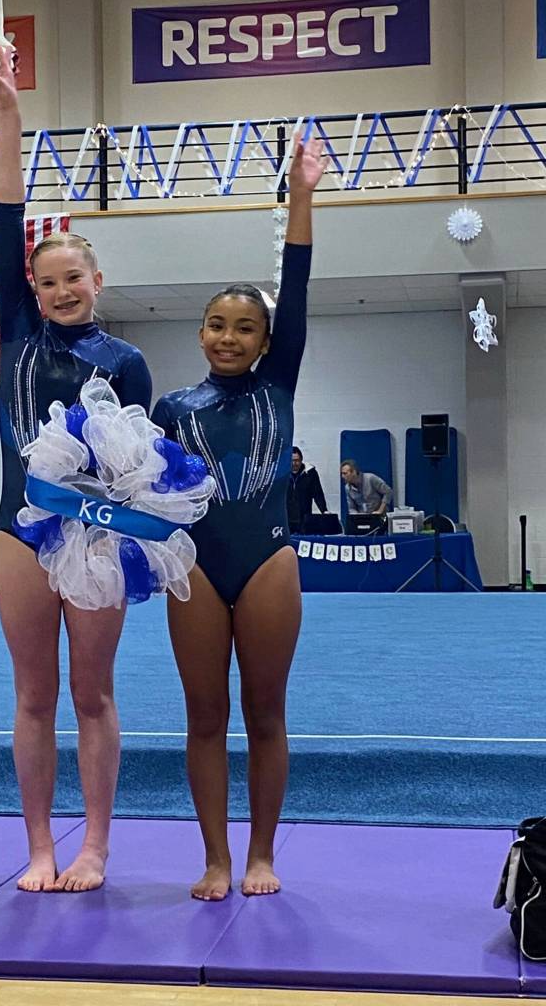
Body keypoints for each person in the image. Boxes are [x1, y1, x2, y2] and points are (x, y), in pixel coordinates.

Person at [0, 47, 152, 894]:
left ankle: (94, 848)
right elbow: (6, 205)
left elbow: (140, 472)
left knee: (92, 694)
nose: (59, 291)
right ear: (31, 287)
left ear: (97, 280)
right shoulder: (15, 330)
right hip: (19, 534)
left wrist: (109, 523)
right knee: (33, 698)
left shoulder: (125, 360)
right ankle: (40, 848)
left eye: (72, 279)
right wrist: (9, 115)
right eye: (46, 280)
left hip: (96, 540)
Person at [152, 137, 326, 900]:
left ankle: (261, 856)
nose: (230, 337)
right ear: (200, 332)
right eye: (217, 324)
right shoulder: (169, 408)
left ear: (265, 340)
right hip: (192, 564)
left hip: (267, 562)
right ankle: (215, 859)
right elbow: (150, 497)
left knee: (265, 712)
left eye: (245, 328)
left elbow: (298, 282)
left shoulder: (278, 383)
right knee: (203, 716)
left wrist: (301, 196)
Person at [286, 446, 328, 533]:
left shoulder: (310, 473)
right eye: (292, 461)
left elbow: (318, 494)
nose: (294, 463)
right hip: (286, 518)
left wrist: (324, 511)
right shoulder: (283, 475)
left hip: (304, 518)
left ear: (301, 460)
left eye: (297, 460)